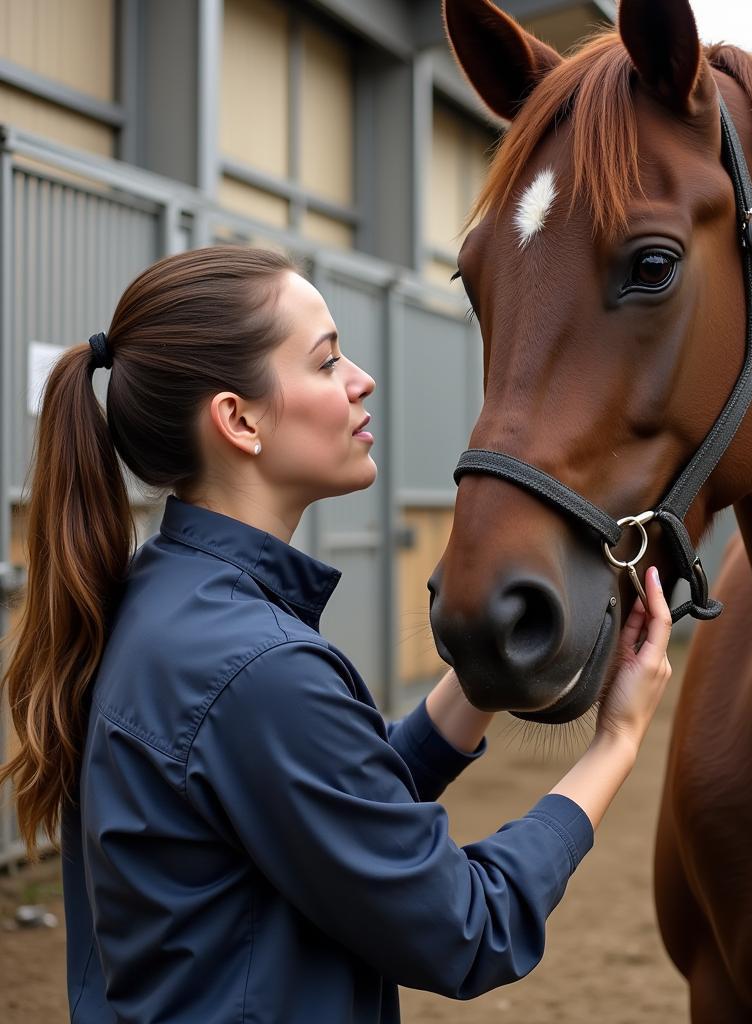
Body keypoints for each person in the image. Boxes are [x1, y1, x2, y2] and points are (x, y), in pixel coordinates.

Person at [0, 246, 673, 1023]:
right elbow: (466, 928)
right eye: (326, 362)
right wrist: (616, 742)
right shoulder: (257, 669)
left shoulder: (163, 602)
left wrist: (482, 669)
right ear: (239, 420)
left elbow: (338, 805)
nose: (363, 378)